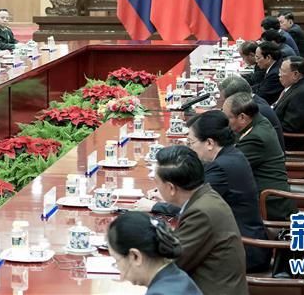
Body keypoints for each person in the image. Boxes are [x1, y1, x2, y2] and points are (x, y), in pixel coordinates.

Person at [135, 146, 249, 294]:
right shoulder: (206, 196)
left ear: (171, 188)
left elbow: (169, 264)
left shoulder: (201, 213)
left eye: (156, 181)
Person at [183, 112, 270, 273]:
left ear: (209, 143)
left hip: (243, 249)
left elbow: (193, 205)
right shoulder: (232, 154)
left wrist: (156, 204)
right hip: (241, 241)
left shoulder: (221, 167)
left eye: (191, 142)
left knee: (181, 261)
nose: (190, 148)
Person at [222, 92, 296, 222]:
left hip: (270, 204)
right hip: (260, 194)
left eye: (227, 118)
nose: (225, 122)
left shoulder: (257, 137)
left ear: (242, 117)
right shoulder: (258, 121)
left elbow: (228, 166)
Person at [106, 211, 203, 294]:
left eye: (116, 260)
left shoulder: (159, 293)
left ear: (135, 256)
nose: (120, 272)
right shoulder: (178, 276)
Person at [218, 75, 285, 151]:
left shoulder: (256, 110)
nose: (222, 103)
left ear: (237, 98)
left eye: (224, 100)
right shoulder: (255, 101)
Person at [274, 56, 304, 134]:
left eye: (282, 71)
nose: (279, 74)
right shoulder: (298, 85)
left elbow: (288, 127)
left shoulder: (303, 94)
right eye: (280, 70)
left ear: (295, 74)